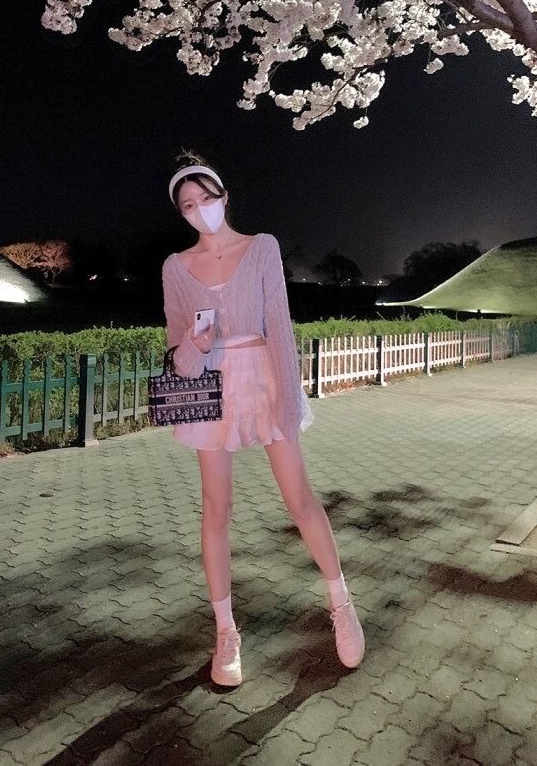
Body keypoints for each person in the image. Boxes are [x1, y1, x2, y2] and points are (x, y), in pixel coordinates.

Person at [161, 150, 364, 687]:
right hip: (209, 386)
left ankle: (342, 605)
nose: (199, 210)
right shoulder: (175, 267)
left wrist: (289, 403)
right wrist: (196, 343)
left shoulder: (262, 248)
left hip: (263, 378)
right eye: (188, 205)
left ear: (224, 197)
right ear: (180, 213)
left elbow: (279, 324)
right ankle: (226, 632)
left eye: (206, 198)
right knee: (216, 509)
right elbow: (178, 357)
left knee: (300, 499)